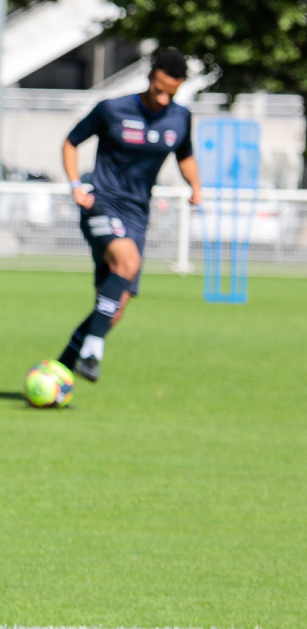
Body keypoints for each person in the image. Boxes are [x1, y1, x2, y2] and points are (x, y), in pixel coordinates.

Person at [56, 47, 201, 382]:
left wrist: (196, 185)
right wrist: (76, 185)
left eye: (172, 94)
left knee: (113, 307)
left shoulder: (180, 117)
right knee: (128, 261)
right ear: (150, 78)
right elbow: (71, 142)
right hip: (102, 203)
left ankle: (61, 368)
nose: (164, 100)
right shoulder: (112, 109)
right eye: (159, 90)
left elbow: (185, 155)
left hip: (137, 213)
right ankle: (93, 351)